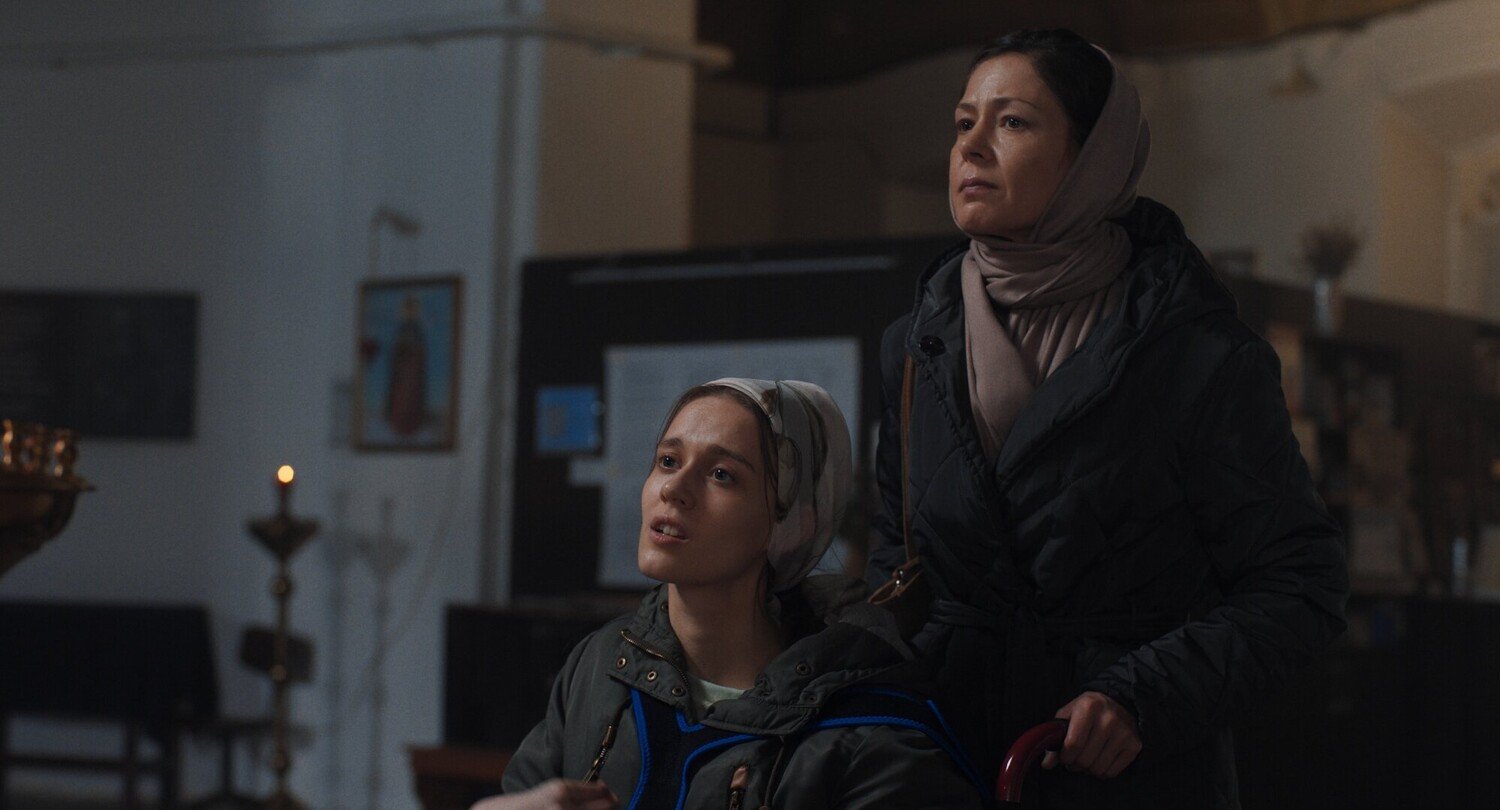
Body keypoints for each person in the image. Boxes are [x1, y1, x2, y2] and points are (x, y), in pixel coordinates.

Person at [864, 28, 1349, 808]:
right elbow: (893, 560)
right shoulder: (916, 344)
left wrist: (1142, 697)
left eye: (1012, 122)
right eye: (963, 123)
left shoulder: (1194, 351)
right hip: (943, 767)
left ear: (1092, 156)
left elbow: (1301, 585)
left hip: (1126, 778)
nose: (972, 147)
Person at [478, 379, 986, 810]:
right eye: (668, 460)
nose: (674, 489)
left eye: (722, 474)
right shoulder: (601, 664)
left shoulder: (866, 734)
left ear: (790, 525)